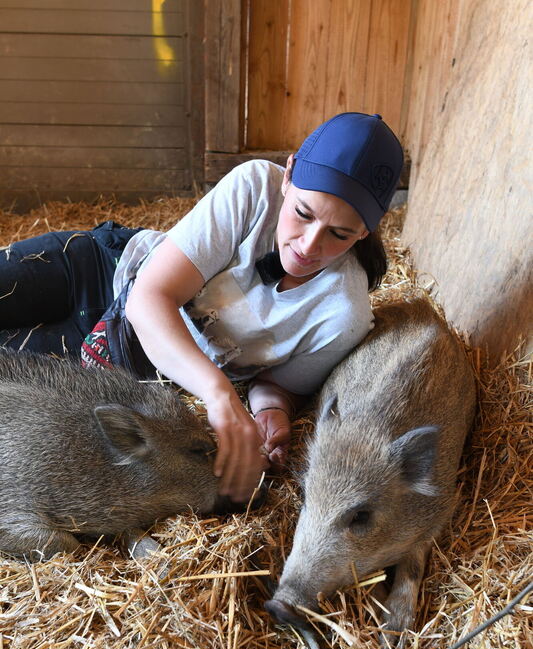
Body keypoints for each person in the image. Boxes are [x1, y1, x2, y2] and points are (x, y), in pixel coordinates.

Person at [0, 112, 403, 503]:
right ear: (289, 173)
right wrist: (218, 394)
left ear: (367, 229)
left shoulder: (343, 315)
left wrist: (269, 411)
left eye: (339, 234)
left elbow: (275, 382)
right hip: (100, 268)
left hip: (126, 361)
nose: (309, 245)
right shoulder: (254, 189)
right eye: (302, 213)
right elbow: (150, 297)